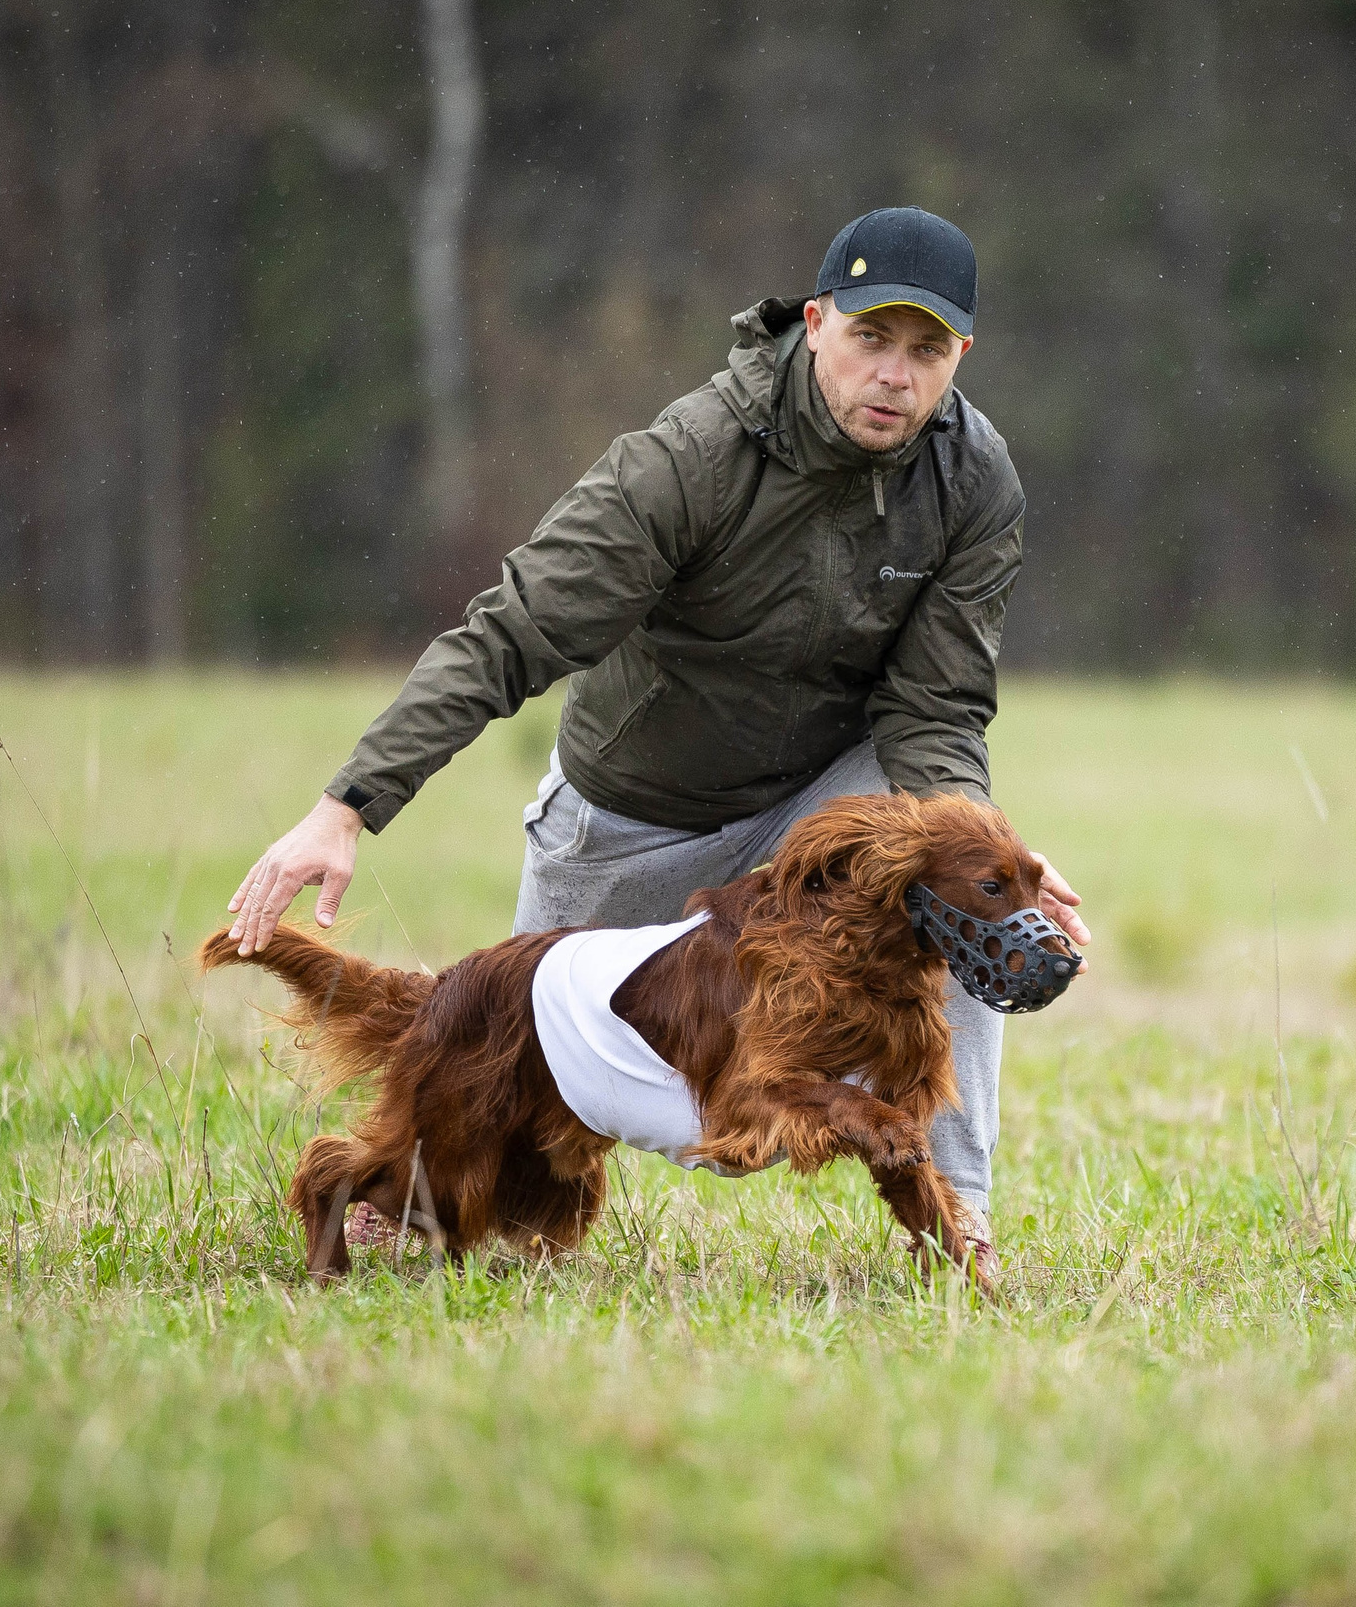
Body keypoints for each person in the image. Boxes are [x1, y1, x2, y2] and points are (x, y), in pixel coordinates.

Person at [225, 205, 1088, 1259]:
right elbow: (516, 631)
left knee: (954, 896)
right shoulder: (692, 458)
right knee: (504, 1076)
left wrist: (994, 857)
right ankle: (392, 1192)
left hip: (826, 798)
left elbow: (937, 708)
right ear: (814, 324)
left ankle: (955, 1231)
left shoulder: (972, 478)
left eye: (925, 351)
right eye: (870, 338)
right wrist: (346, 805)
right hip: (636, 817)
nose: (894, 377)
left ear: (961, 356)